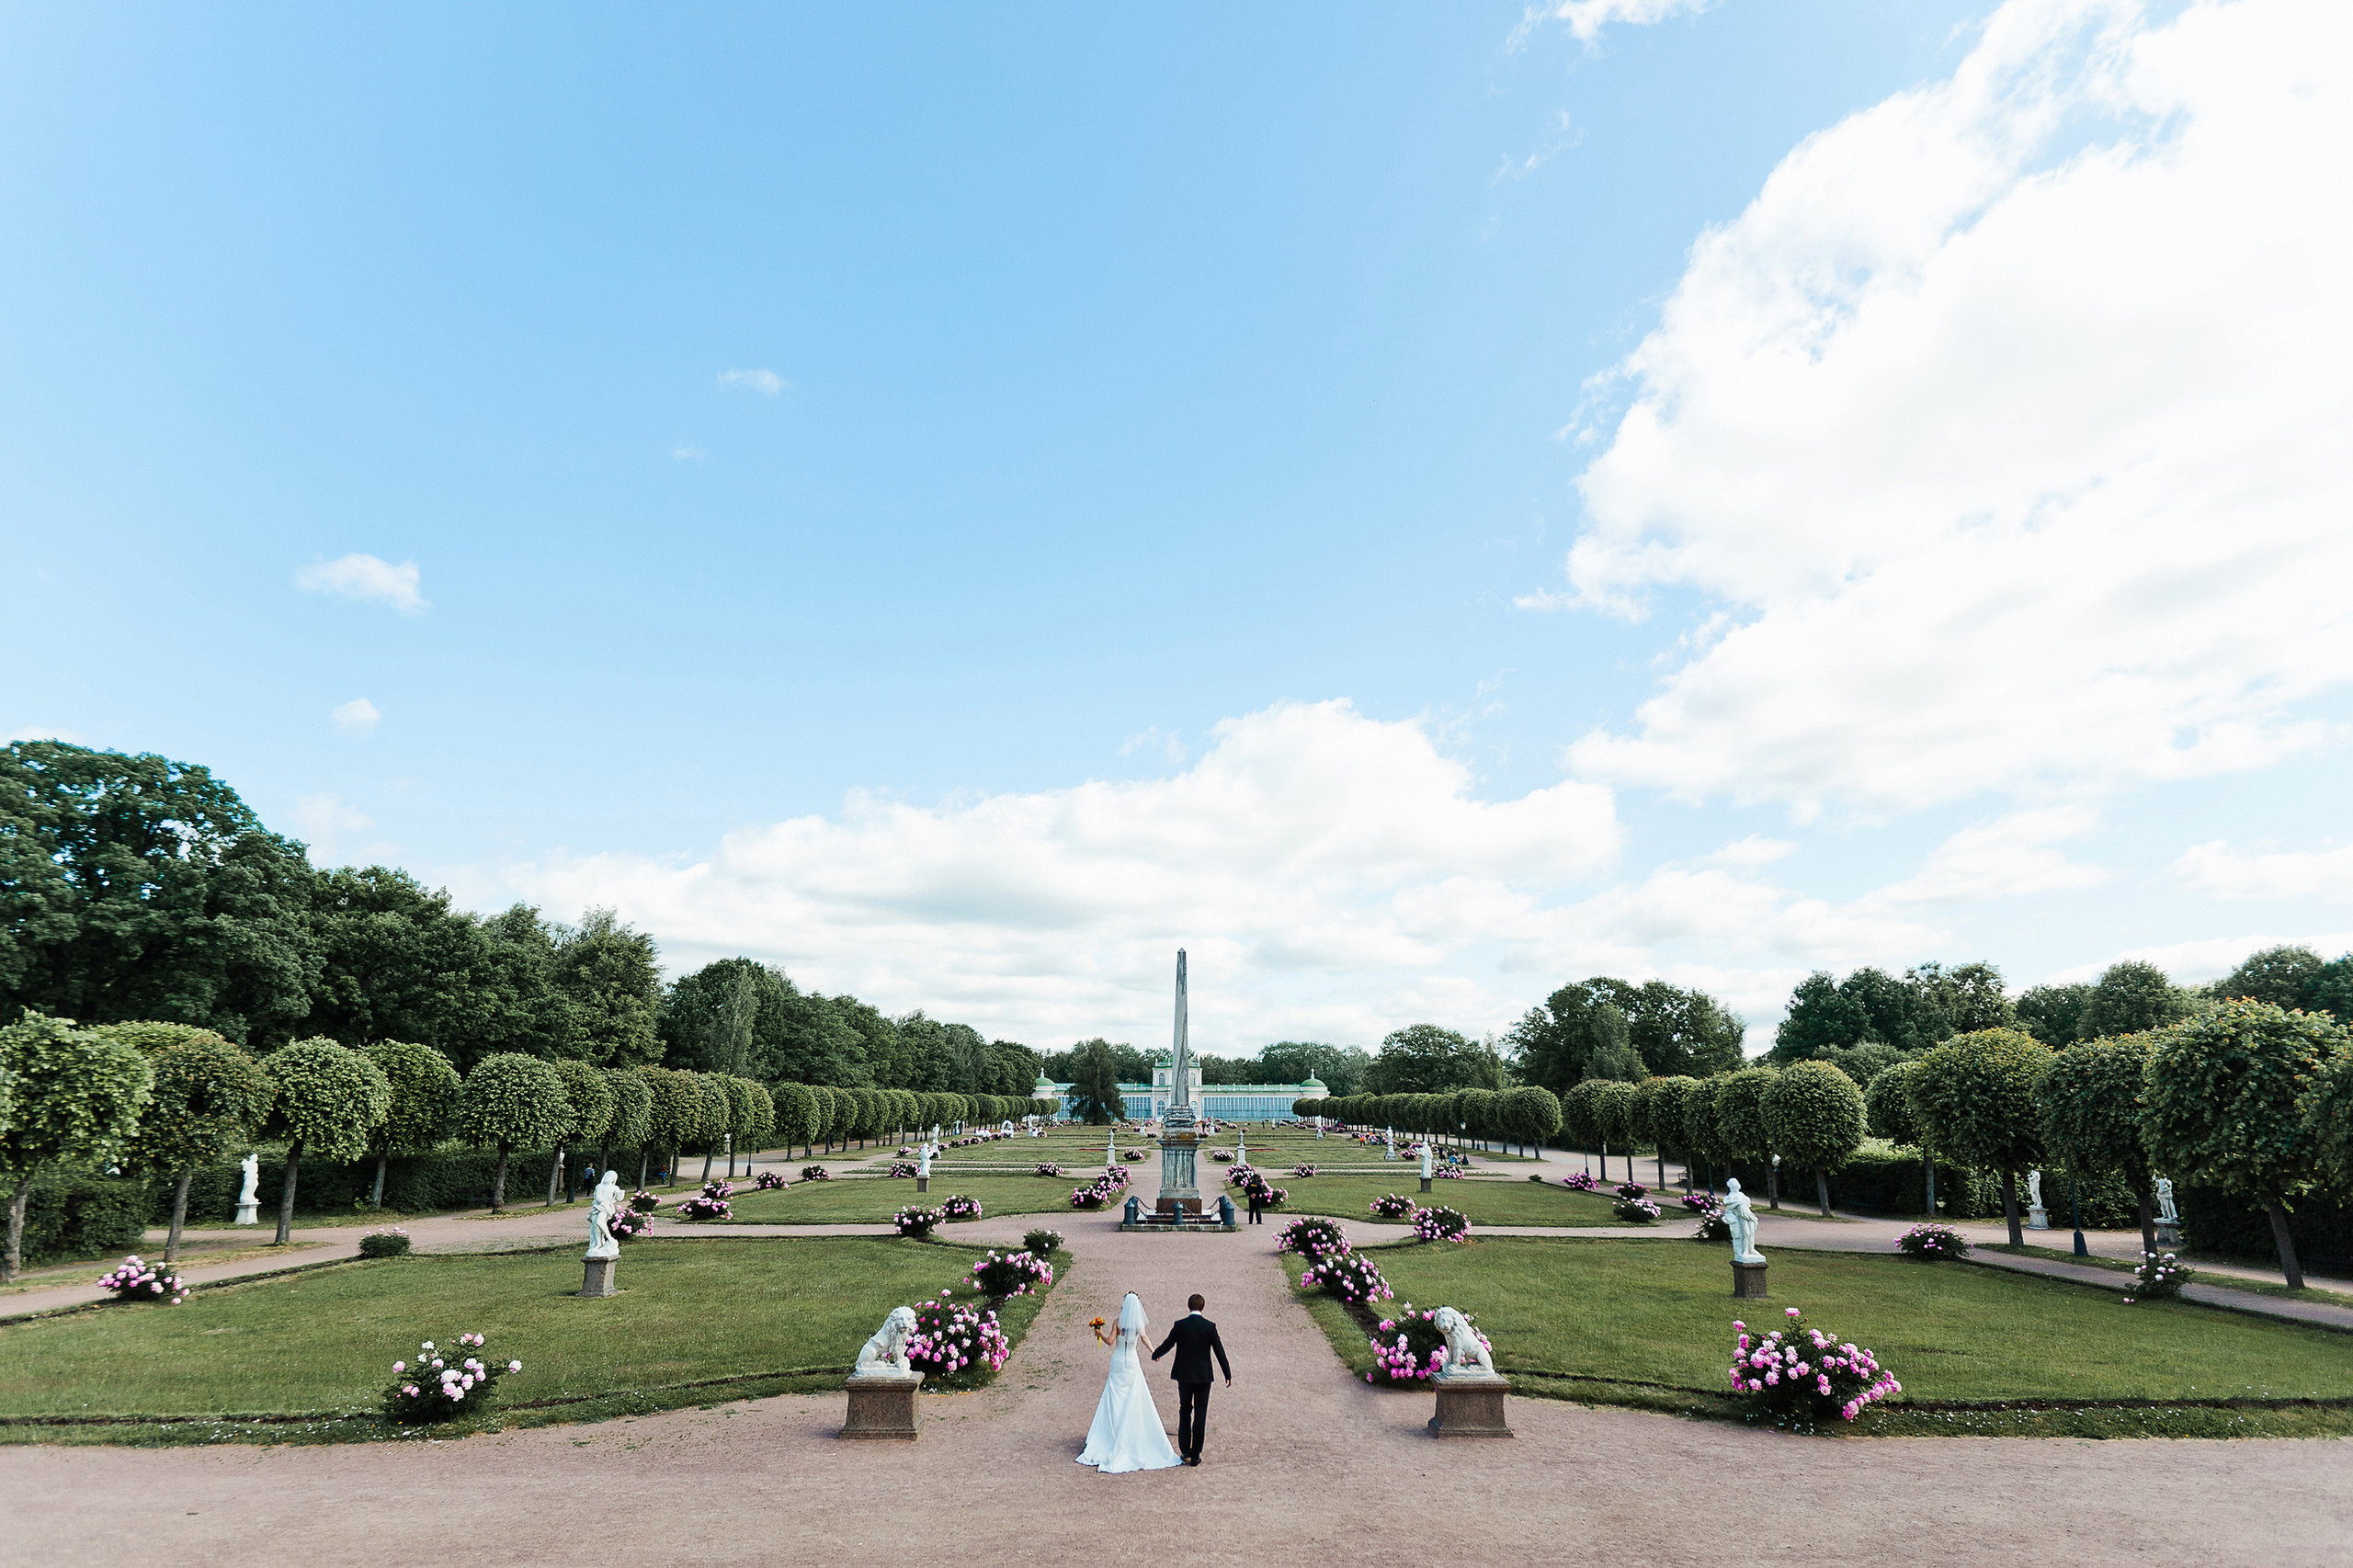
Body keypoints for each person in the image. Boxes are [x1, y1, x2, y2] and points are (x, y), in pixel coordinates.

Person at [1076, 1292, 1183, 1473]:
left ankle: (1111, 1433)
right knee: (1133, 1396)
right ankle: (1130, 1432)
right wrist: (1154, 1352)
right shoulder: (1137, 1325)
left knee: (1114, 1396)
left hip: (1118, 1361)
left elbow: (1110, 1342)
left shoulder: (1117, 1322)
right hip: (1132, 1362)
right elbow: (1144, 1338)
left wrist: (1099, 1333)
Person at [1151, 1292, 1232, 1466]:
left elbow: (1168, 1343)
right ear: (1202, 1307)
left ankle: (1185, 1451)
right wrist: (1227, 1373)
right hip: (1203, 1376)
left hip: (1185, 1375)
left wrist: (1156, 1353)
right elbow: (1219, 1351)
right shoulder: (1209, 1327)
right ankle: (1196, 1454)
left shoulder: (1180, 1325)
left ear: (1189, 1306)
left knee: (1185, 1409)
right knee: (1200, 1413)